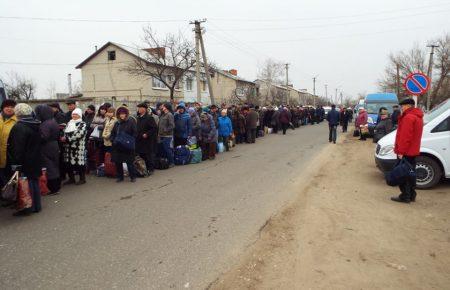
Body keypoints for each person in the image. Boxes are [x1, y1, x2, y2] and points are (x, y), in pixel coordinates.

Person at [7, 103, 42, 216]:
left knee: (25, 185)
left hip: (25, 160)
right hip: (35, 158)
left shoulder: (19, 127)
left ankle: (28, 207)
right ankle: (37, 206)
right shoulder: (35, 124)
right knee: (34, 182)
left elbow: (17, 148)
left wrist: (16, 163)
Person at [391, 98, 423, 203]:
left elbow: (405, 137)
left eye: (403, 106)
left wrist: (400, 151)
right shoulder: (417, 117)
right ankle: (412, 195)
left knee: (403, 174)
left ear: (408, 106)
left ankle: (405, 196)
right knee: (410, 174)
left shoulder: (408, 118)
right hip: (412, 151)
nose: (401, 108)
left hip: (406, 152)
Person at [35, 105, 61, 195]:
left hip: (47, 146)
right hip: (54, 145)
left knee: (49, 167)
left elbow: (43, 137)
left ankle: (53, 188)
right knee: (54, 165)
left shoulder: (45, 124)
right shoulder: (53, 121)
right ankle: (57, 186)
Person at [111, 106, 137, 182]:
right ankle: (120, 177)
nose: (122, 115)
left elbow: (135, 133)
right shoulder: (117, 123)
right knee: (118, 162)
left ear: (126, 114)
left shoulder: (131, 121)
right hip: (117, 146)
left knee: (129, 162)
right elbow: (113, 133)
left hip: (127, 146)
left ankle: (133, 176)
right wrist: (113, 140)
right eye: (120, 114)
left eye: (123, 114)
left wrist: (129, 140)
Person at [62, 108, 87, 185]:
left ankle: (82, 179)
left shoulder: (82, 124)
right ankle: (71, 179)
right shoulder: (70, 123)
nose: (74, 116)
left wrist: (67, 139)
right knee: (68, 164)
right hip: (68, 147)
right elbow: (65, 132)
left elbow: (79, 134)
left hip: (78, 147)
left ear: (79, 115)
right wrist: (64, 137)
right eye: (73, 114)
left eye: (76, 114)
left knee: (79, 164)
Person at [136, 103, 157, 175]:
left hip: (147, 140)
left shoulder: (149, 118)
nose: (138, 109)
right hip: (139, 140)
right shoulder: (138, 118)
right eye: (138, 108)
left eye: (139, 108)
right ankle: (143, 169)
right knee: (141, 155)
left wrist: (147, 134)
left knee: (148, 155)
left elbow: (154, 128)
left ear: (144, 109)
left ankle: (150, 169)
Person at [0, 99, 17, 188]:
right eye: (7, 106)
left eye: (12, 107)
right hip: (1, 153)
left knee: (11, 176)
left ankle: (11, 195)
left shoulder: (17, 120)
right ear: (3, 108)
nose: (9, 109)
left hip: (11, 154)